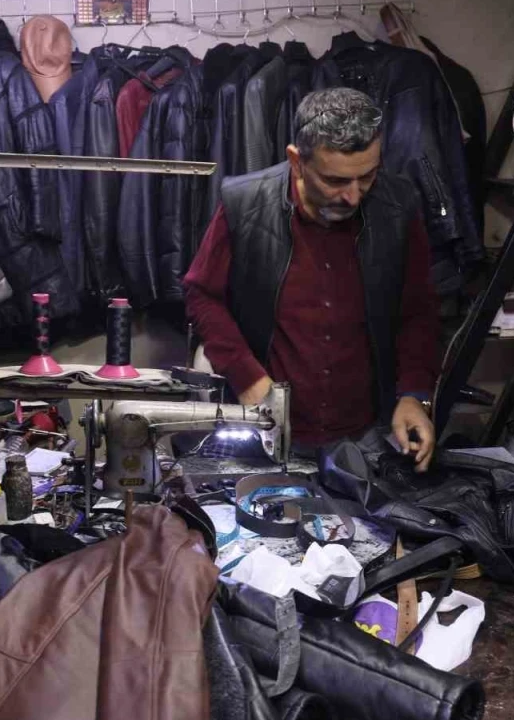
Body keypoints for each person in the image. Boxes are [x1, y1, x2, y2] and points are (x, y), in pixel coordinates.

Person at [184, 88, 440, 466]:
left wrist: (414, 395)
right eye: (335, 181)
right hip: (262, 431)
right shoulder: (245, 203)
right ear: (297, 161)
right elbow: (202, 294)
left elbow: (418, 310)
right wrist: (246, 376)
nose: (353, 196)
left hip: (367, 433)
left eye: (367, 176)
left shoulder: (399, 206)